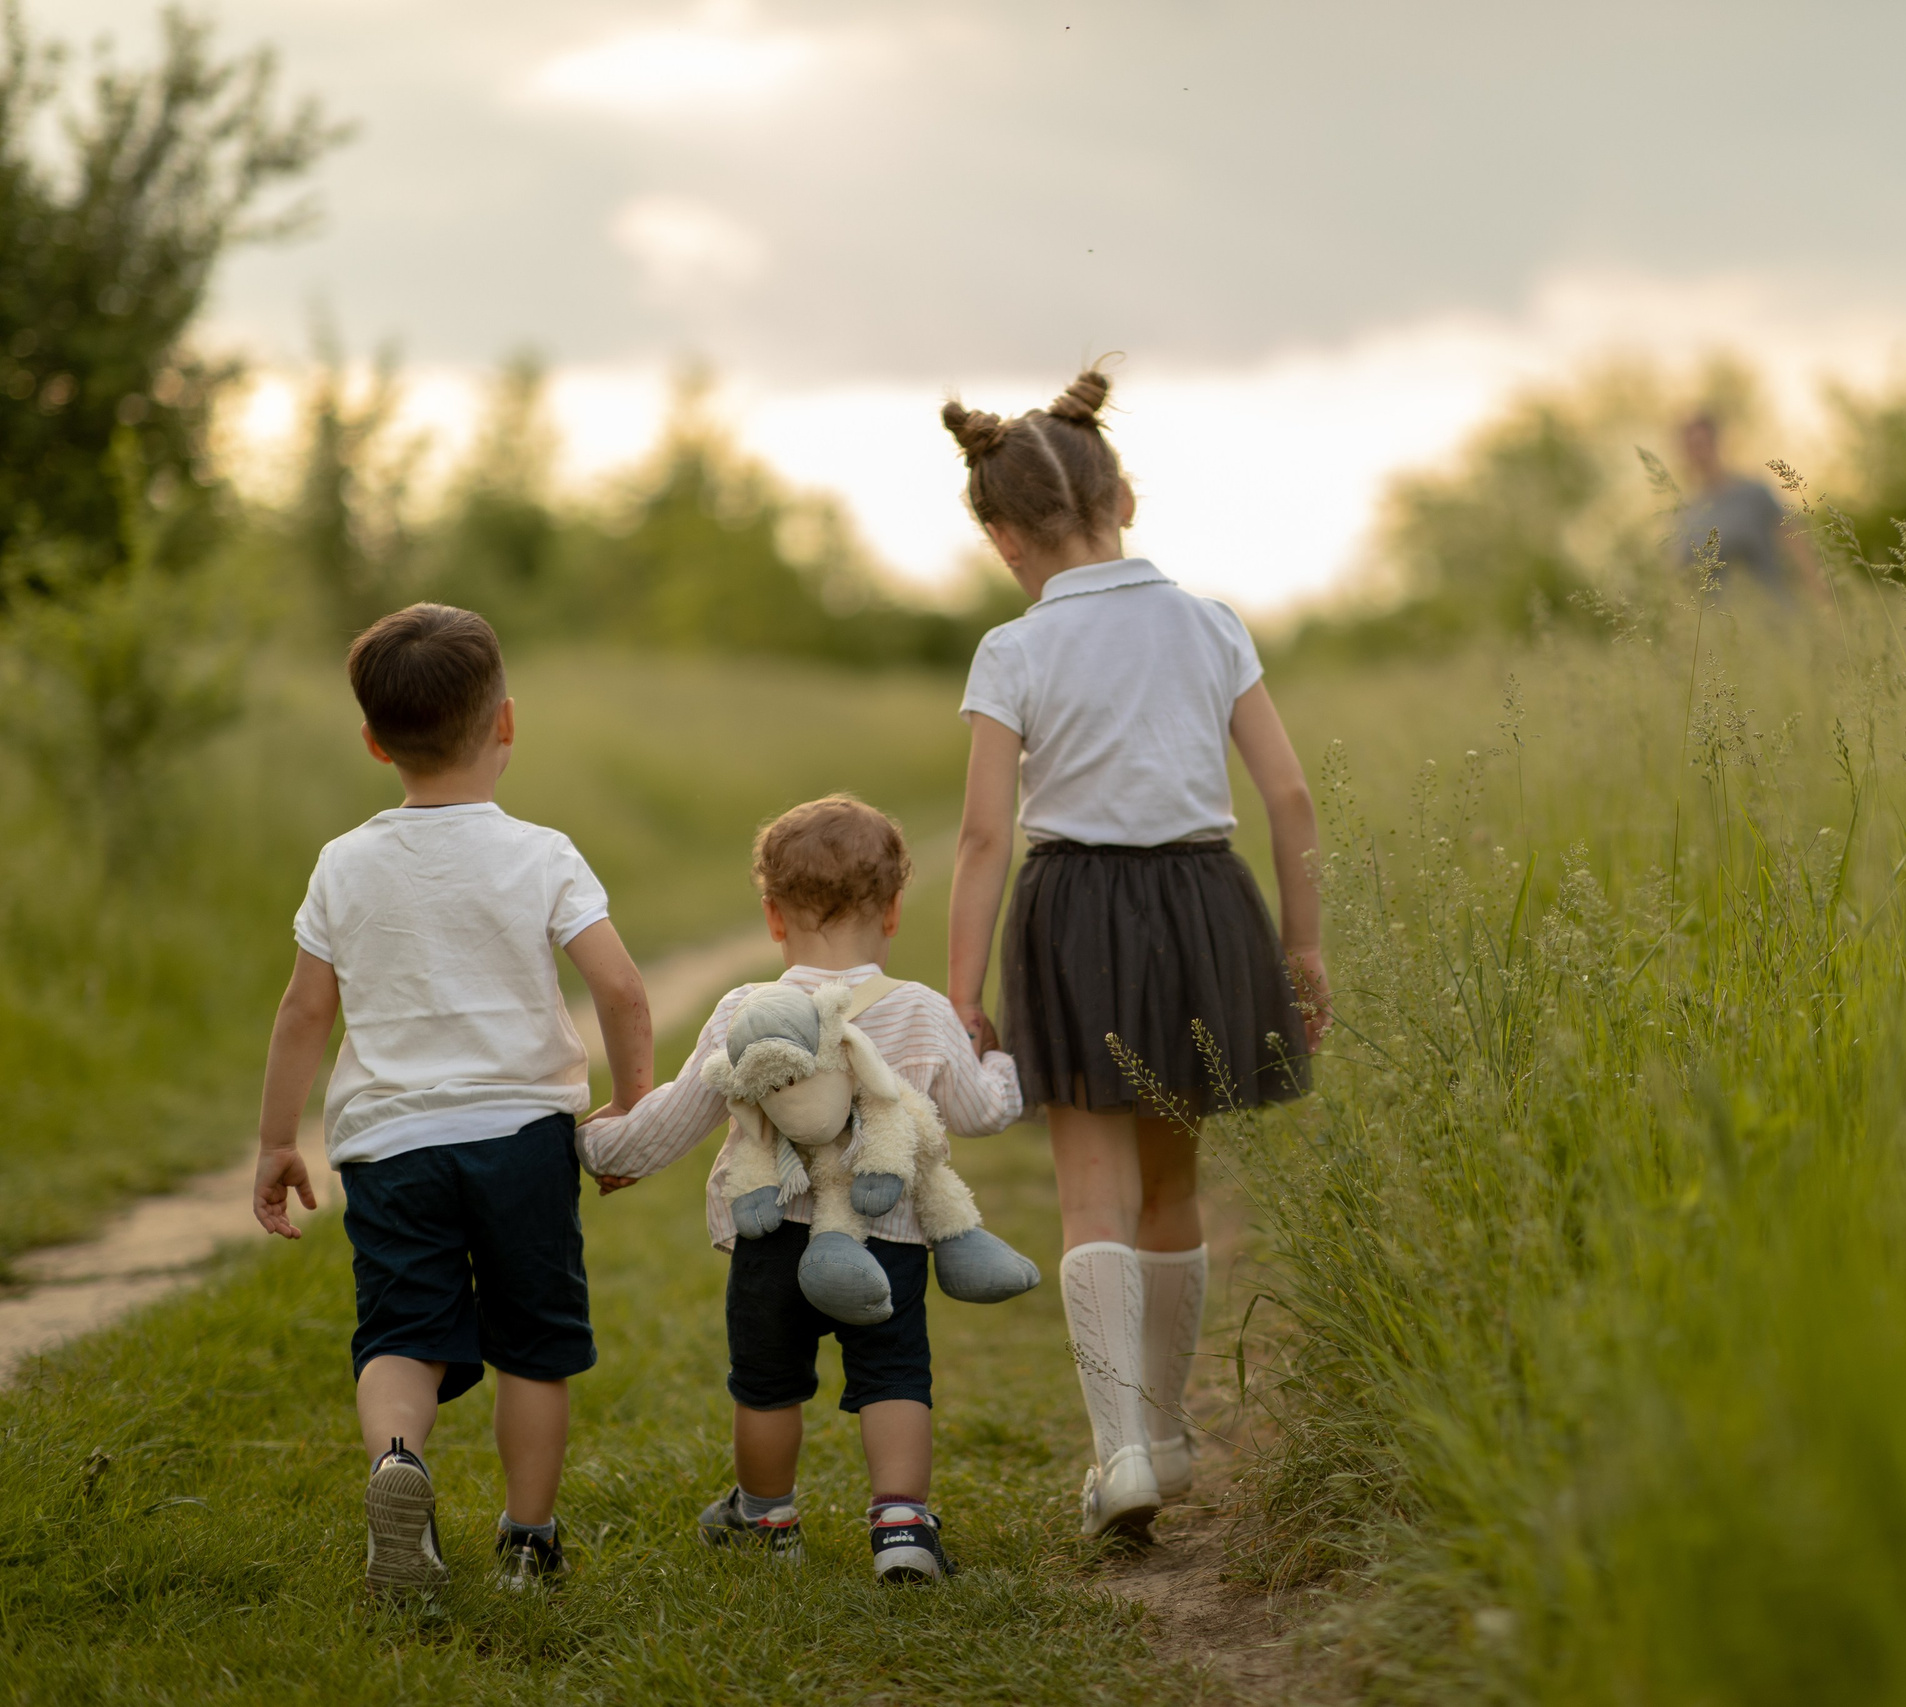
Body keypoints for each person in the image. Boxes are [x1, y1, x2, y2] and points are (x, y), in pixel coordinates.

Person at [941, 367, 1331, 1540]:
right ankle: (1166, 1435)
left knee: (1089, 1192)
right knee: (1173, 1183)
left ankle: (1120, 1455)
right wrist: (1301, 947)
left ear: (1003, 537)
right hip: (1207, 900)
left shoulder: (1013, 651)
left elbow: (980, 834)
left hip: (1076, 912)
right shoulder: (1212, 625)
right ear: (1126, 497)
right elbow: (1292, 797)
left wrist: (960, 992)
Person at [252, 603, 654, 1594]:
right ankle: (527, 1540)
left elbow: (306, 1011)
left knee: (400, 1334)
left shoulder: (345, 862)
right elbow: (620, 988)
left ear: (373, 741)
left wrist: (275, 1140)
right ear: (505, 723)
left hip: (389, 1147)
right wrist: (633, 1106)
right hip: (521, 1137)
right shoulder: (543, 854)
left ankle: (398, 1464)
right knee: (532, 1344)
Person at [575, 795, 1023, 1582]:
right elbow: (983, 1115)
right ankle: (902, 1526)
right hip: (888, 1239)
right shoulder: (921, 1011)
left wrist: (592, 1145)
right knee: (893, 1374)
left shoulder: (745, 1012)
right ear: (892, 911)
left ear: (773, 917)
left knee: (767, 1383)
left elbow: (674, 1119)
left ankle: (766, 1516)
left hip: (770, 1233)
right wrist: (997, 1064)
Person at [1668, 409, 1828, 605]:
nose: (1697, 454)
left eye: (1701, 444)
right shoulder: (1687, 513)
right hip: (1721, 626)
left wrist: (1822, 598)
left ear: (1716, 443)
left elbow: (1796, 543)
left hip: (1773, 613)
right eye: (1690, 447)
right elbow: (1682, 577)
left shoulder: (1753, 493)